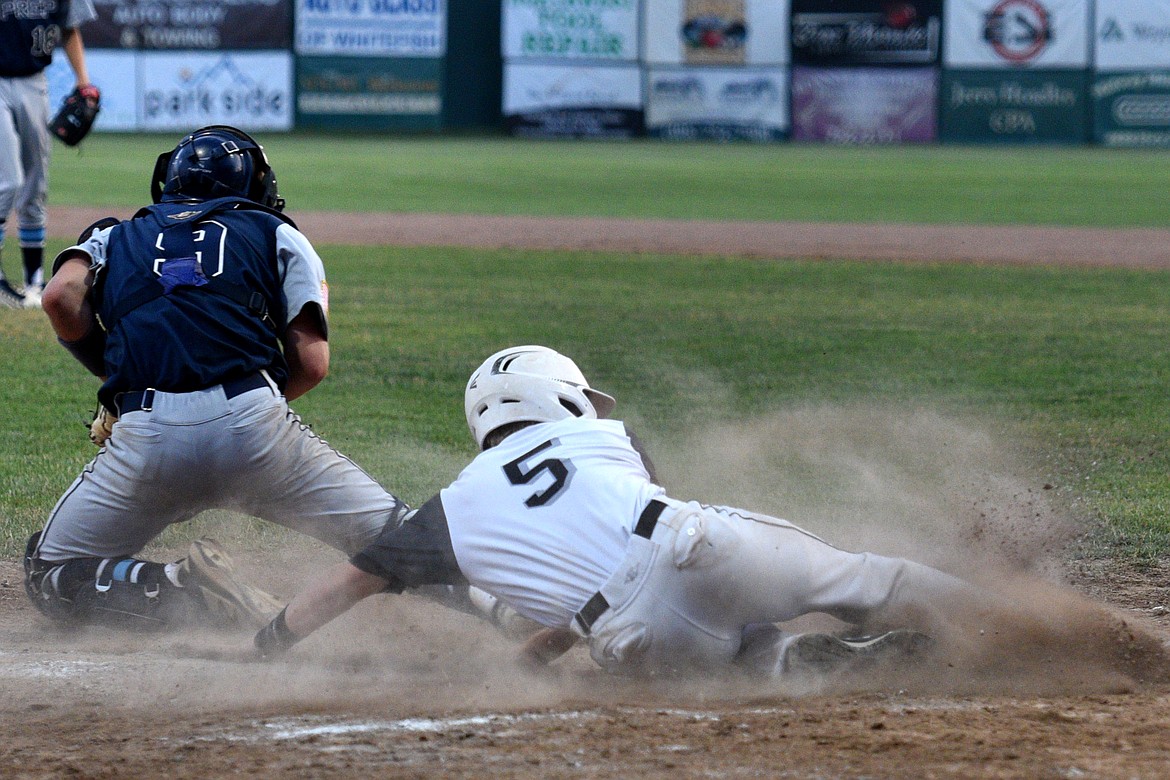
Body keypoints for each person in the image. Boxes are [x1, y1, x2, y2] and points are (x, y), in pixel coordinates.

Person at [254, 345, 980, 681]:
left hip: (628, 636)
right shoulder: (603, 434)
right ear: (557, 398)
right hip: (692, 548)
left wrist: (270, 642)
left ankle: (811, 664)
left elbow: (343, 585)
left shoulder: (450, 512)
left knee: (750, 662)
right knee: (867, 583)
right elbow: (638, 538)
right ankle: (1004, 623)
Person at [23, 126, 410, 633]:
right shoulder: (277, 231)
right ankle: (508, 610)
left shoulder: (114, 235)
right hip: (255, 429)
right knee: (404, 540)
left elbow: (59, 297)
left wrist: (118, 383)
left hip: (147, 437)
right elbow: (312, 364)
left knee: (49, 570)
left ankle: (178, 584)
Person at [1, 0, 98, 308]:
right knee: (8, 181)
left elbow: (70, 28)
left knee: (35, 185)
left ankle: (34, 281)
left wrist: (83, 82)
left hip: (34, 81)